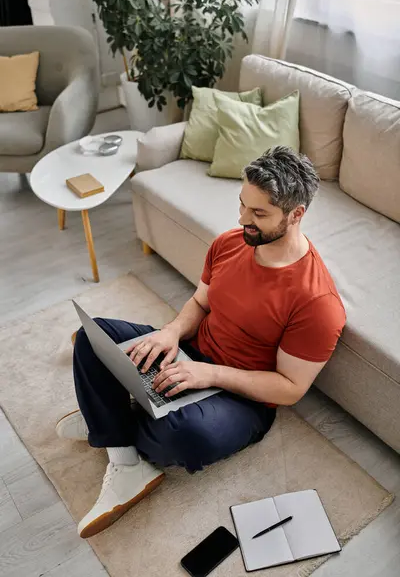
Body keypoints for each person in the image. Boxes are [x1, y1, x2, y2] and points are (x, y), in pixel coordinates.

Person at [56, 146, 346, 539]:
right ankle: (122, 448)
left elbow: (290, 388)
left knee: (188, 437)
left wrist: (207, 373)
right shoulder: (230, 242)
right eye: (243, 205)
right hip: (190, 354)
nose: (243, 219)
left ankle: (108, 423)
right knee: (93, 338)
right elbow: (199, 302)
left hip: (242, 400)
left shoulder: (317, 303)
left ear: (296, 215)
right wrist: (172, 332)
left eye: (259, 214)